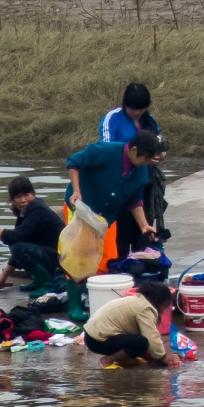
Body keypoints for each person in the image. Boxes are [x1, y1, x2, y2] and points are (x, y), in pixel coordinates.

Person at [64, 130, 159, 321]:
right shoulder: (105, 151)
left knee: (106, 260)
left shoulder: (141, 170)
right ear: (133, 150)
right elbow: (74, 162)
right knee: (77, 259)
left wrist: (144, 225)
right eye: (146, 158)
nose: (147, 163)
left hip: (106, 218)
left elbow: (135, 199)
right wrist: (76, 190)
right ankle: (73, 306)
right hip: (81, 210)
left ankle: (96, 300)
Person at [99, 82, 171, 255]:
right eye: (133, 109)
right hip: (121, 179)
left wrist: (159, 156)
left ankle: (142, 260)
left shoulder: (150, 120)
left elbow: (160, 145)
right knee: (121, 230)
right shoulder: (113, 118)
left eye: (142, 109)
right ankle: (120, 262)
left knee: (143, 227)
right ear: (125, 105)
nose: (137, 113)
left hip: (145, 180)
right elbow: (108, 147)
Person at [0, 176, 65, 298]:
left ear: (33, 194)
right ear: (13, 201)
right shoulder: (24, 213)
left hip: (60, 259)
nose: (23, 200)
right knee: (17, 246)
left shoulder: (38, 210)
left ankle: (46, 281)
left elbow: (13, 238)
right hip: (49, 253)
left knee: (17, 247)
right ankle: (39, 280)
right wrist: (4, 275)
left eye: (26, 195)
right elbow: (21, 239)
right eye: (18, 197)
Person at [83, 280, 180, 368]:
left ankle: (124, 359)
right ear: (159, 302)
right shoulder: (145, 308)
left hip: (93, 335)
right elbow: (152, 337)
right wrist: (163, 356)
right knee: (141, 343)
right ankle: (106, 361)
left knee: (139, 340)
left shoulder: (139, 300)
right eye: (166, 305)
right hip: (96, 340)